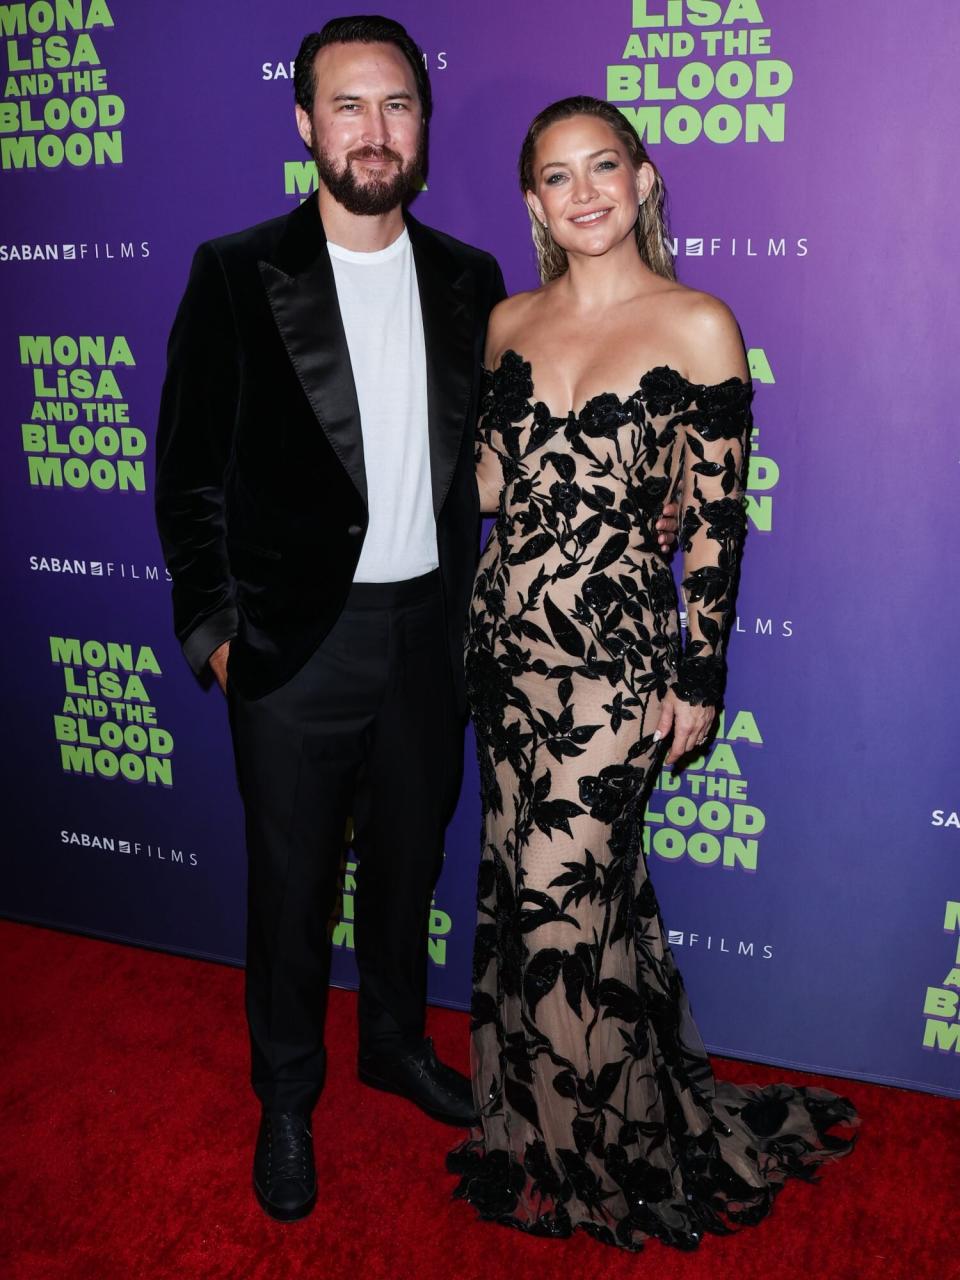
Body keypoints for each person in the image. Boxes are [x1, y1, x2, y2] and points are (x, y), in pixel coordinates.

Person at [155, 14, 683, 1225]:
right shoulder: (236, 271)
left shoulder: (469, 279)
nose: (375, 130)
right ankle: (288, 1093)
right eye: (349, 106)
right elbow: (184, 478)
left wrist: (638, 499)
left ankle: (394, 1040)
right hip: (293, 646)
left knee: (406, 865)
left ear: (423, 125)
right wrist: (218, 635)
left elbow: (513, 453)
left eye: (396, 105)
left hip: (434, 640)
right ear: (305, 125)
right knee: (290, 887)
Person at [448, 95, 858, 1251]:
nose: (584, 192)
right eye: (558, 176)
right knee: (574, 911)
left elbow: (719, 522)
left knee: (557, 918)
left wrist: (701, 672)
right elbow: (487, 483)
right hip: (508, 657)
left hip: (618, 670)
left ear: (642, 178)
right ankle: (582, 1120)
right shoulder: (506, 323)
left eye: (604, 167)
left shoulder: (699, 323)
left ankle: (592, 1163)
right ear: (533, 200)